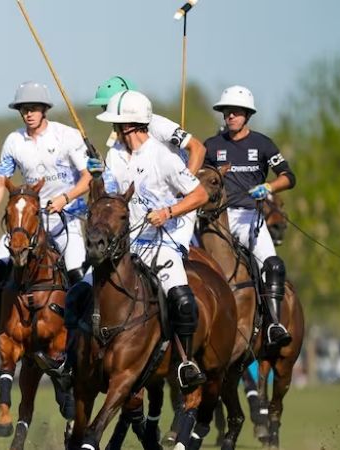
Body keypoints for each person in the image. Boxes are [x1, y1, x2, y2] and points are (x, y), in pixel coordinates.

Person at [0, 81, 92, 361]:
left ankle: (84, 336)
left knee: (76, 274)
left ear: (45, 110)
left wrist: (65, 198)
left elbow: (89, 178)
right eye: (23, 109)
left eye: (33, 109)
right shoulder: (14, 142)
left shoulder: (67, 136)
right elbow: (0, 184)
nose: (28, 114)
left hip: (65, 217)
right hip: (28, 220)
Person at [93, 90, 209, 388]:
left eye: (116, 124)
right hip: (127, 245)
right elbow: (109, 195)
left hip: (163, 240)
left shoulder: (163, 157)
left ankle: (184, 362)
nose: (113, 129)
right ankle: (78, 356)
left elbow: (200, 194)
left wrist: (168, 211)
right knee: (83, 289)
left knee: (181, 299)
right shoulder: (115, 155)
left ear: (129, 125)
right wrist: (95, 177)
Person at [203, 85, 295, 350]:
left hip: (248, 218)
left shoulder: (262, 144)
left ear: (247, 115)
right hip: (214, 218)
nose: (230, 116)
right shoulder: (212, 146)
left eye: (236, 112)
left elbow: (289, 177)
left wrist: (268, 187)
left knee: (273, 265)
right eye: (226, 112)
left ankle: (274, 323)